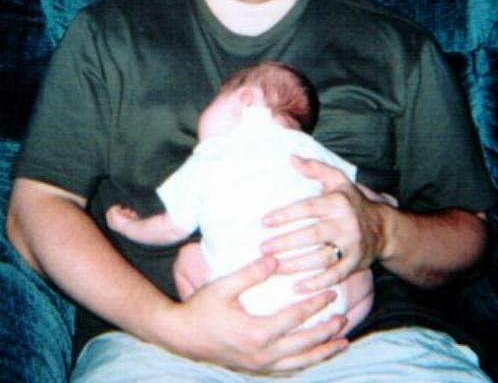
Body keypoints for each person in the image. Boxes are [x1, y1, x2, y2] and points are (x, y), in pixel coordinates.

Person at [6, 0, 497, 382]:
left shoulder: (398, 47)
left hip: (368, 340)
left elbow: (468, 236)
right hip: (160, 343)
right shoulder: (108, 37)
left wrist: (383, 231)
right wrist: (174, 326)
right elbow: (35, 211)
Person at [106, 61, 374, 331]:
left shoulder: (209, 156)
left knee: (187, 257)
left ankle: (208, 333)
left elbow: (171, 228)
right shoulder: (309, 150)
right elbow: (355, 197)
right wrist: (386, 202)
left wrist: (128, 226)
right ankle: (326, 335)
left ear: (244, 98)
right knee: (363, 278)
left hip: (235, 309)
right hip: (319, 301)